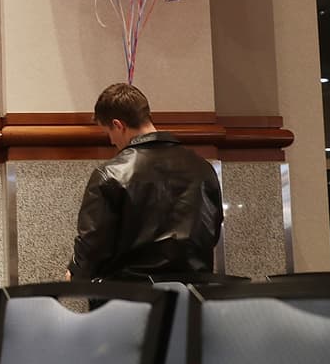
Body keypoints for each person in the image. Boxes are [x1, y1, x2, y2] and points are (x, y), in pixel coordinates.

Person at [66, 83, 223, 282]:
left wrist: (77, 272)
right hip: (193, 294)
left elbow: (94, 242)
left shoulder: (110, 174)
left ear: (118, 125)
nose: (112, 141)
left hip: (130, 299)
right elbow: (213, 230)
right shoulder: (203, 169)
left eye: (109, 132)